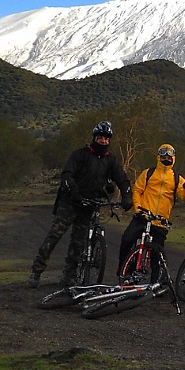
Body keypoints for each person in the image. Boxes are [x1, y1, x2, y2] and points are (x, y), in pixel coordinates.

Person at [29, 120, 132, 287]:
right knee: (54, 236)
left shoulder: (110, 160)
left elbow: (122, 179)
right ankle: (36, 271)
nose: (103, 141)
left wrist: (127, 196)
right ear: (94, 138)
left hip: (90, 205)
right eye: (100, 138)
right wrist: (74, 192)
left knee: (78, 242)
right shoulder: (80, 154)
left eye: (107, 139)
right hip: (70, 202)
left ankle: (68, 277)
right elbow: (66, 175)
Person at [117, 143, 185, 283]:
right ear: (158, 157)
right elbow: (137, 191)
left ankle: (155, 282)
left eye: (169, 157)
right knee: (127, 239)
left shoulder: (176, 178)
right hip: (143, 216)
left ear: (173, 159)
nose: (166, 159)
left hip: (161, 221)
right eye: (163, 156)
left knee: (156, 254)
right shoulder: (148, 173)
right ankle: (123, 270)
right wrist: (138, 209)